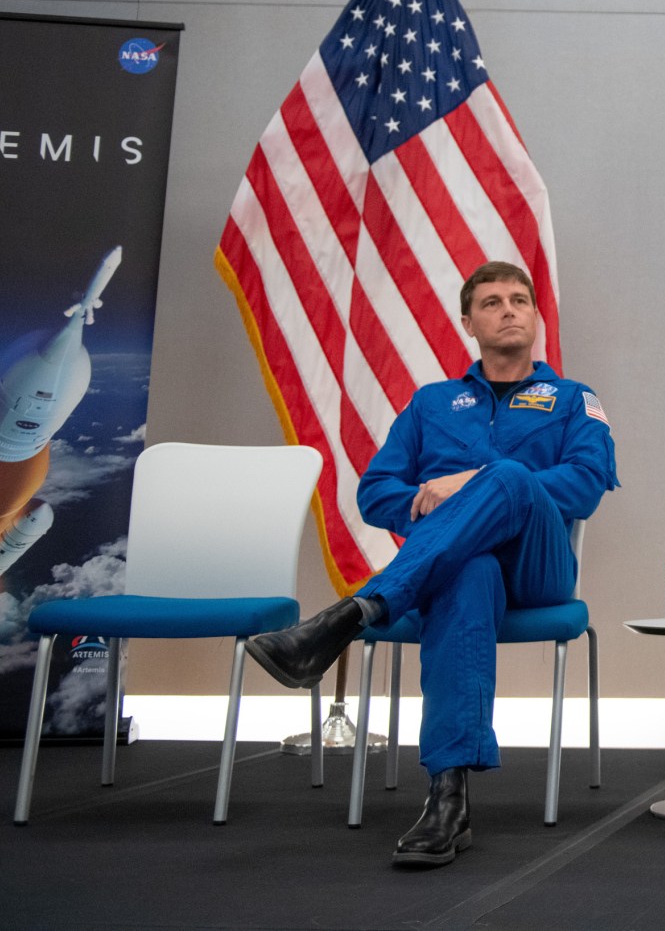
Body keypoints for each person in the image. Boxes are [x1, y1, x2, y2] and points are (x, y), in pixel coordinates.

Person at [245, 262, 617, 869]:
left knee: (512, 477)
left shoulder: (576, 400)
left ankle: (355, 612)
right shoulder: (433, 403)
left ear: (536, 318)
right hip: (455, 572)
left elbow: (584, 484)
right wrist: (427, 499)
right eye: (492, 302)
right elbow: (377, 492)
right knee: (467, 574)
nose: (508, 309)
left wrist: (471, 483)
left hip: (537, 571)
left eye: (520, 300)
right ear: (468, 322)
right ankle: (447, 797)